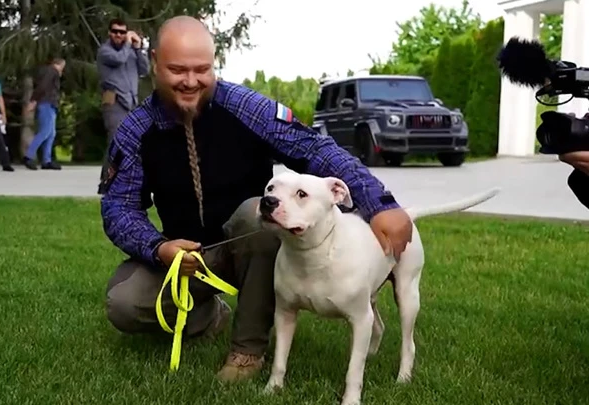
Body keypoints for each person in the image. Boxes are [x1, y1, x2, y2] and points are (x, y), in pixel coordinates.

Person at [99, 15, 413, 383]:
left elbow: (315, 149)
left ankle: (248, 351)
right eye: (177, 70)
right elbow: (118, 208)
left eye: (202, 69)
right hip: (187, 256)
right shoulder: (136, 130)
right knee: (124, 303)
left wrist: (380, 204)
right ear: (154, 62)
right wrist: (158, 248)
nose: (190, 81)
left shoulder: (245, 107)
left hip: (255, 243)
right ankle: (210, 317)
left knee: (256, 214)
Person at [96, 17, 150, 193]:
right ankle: (106, 182)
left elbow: (145, 70)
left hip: (131, 102)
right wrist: (129, 43)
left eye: (122, 32)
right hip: (114, 101)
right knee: (115, 141)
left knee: (133, 143)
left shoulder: (131, 51)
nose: (119, 35)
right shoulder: (105, 51)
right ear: (110, 33)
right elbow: (119, 59)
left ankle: (126, 182)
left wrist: (138, 47)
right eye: (115, 31)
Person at [23, 58, 65, 170]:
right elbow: (42, 86)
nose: (62, 70)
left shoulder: (51, 72)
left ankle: (47, 160)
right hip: (46, 103)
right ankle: (28, 156)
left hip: (51, 105)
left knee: (51, 133)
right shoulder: (52, 71)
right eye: (62, 67)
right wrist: (33, 101)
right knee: (45, 131)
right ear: (58, 64)